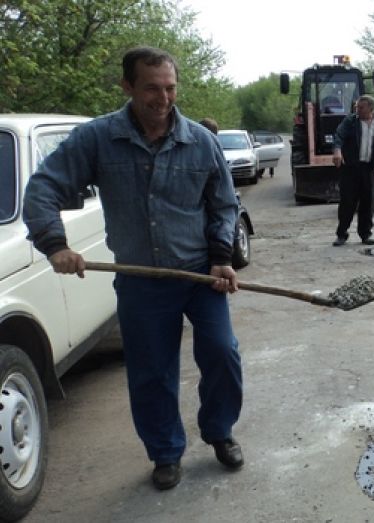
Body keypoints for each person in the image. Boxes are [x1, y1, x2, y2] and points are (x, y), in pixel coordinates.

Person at [23, 46, 245, 491]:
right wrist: (54, 244)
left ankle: (219, 431)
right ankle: (165, 452)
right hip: (142, 279)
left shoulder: (200, 141)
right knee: (151, 371)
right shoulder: (98, 139)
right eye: (151, 88)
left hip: (200, 275)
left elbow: (224, 205)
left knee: (222, 354)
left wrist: (222, 257)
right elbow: (43, 188)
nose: (163, 99)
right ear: (127, 86)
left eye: (169, 88)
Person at [332, 94, 374, 246]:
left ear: (370, 108)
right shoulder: (351, 121)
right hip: (350, 168)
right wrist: (337, 150)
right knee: (347, 202)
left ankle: (365, 235)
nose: (357, 110)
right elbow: (339, 135)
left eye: (361, 107)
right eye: (356, 107)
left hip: (369, 169)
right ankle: (342, 234)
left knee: (367, 203)